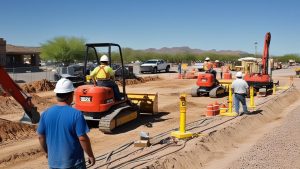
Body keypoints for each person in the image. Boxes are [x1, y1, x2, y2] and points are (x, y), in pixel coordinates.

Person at [37, 78, 95, 169]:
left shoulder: (45, 113)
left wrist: (47, 152)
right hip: (74, 163)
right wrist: (90, 155)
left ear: (57, 95)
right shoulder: (76, 114)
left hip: (54, 164)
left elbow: (41, 137)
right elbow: (83, 138)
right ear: (70, 95)